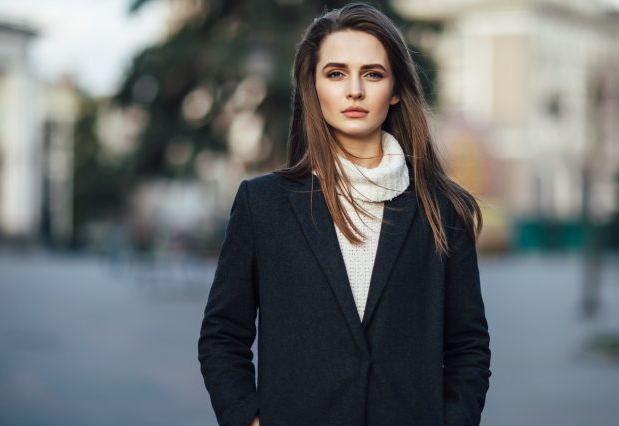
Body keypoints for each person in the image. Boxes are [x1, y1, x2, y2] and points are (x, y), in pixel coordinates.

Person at [198, 3, 491, 425]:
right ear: (313, 87)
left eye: (372, 74)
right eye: (336, 73)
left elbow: (468, 346)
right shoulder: (263, 204)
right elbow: (223, 336)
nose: (354, 90)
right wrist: (248, 419)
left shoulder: (442, 208)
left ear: (394, 90)